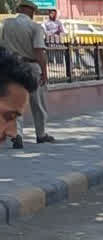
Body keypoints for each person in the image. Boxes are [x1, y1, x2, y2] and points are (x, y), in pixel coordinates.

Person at [0, 0, 52, 148]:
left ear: (19, 9)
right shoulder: (35, 27)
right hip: (31, 66)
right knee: (38, 103)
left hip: (12, 66)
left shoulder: (6, 24)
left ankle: (18, 136)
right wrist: (44, 72)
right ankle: (41, 135)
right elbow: (38, 51)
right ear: (31, 11)